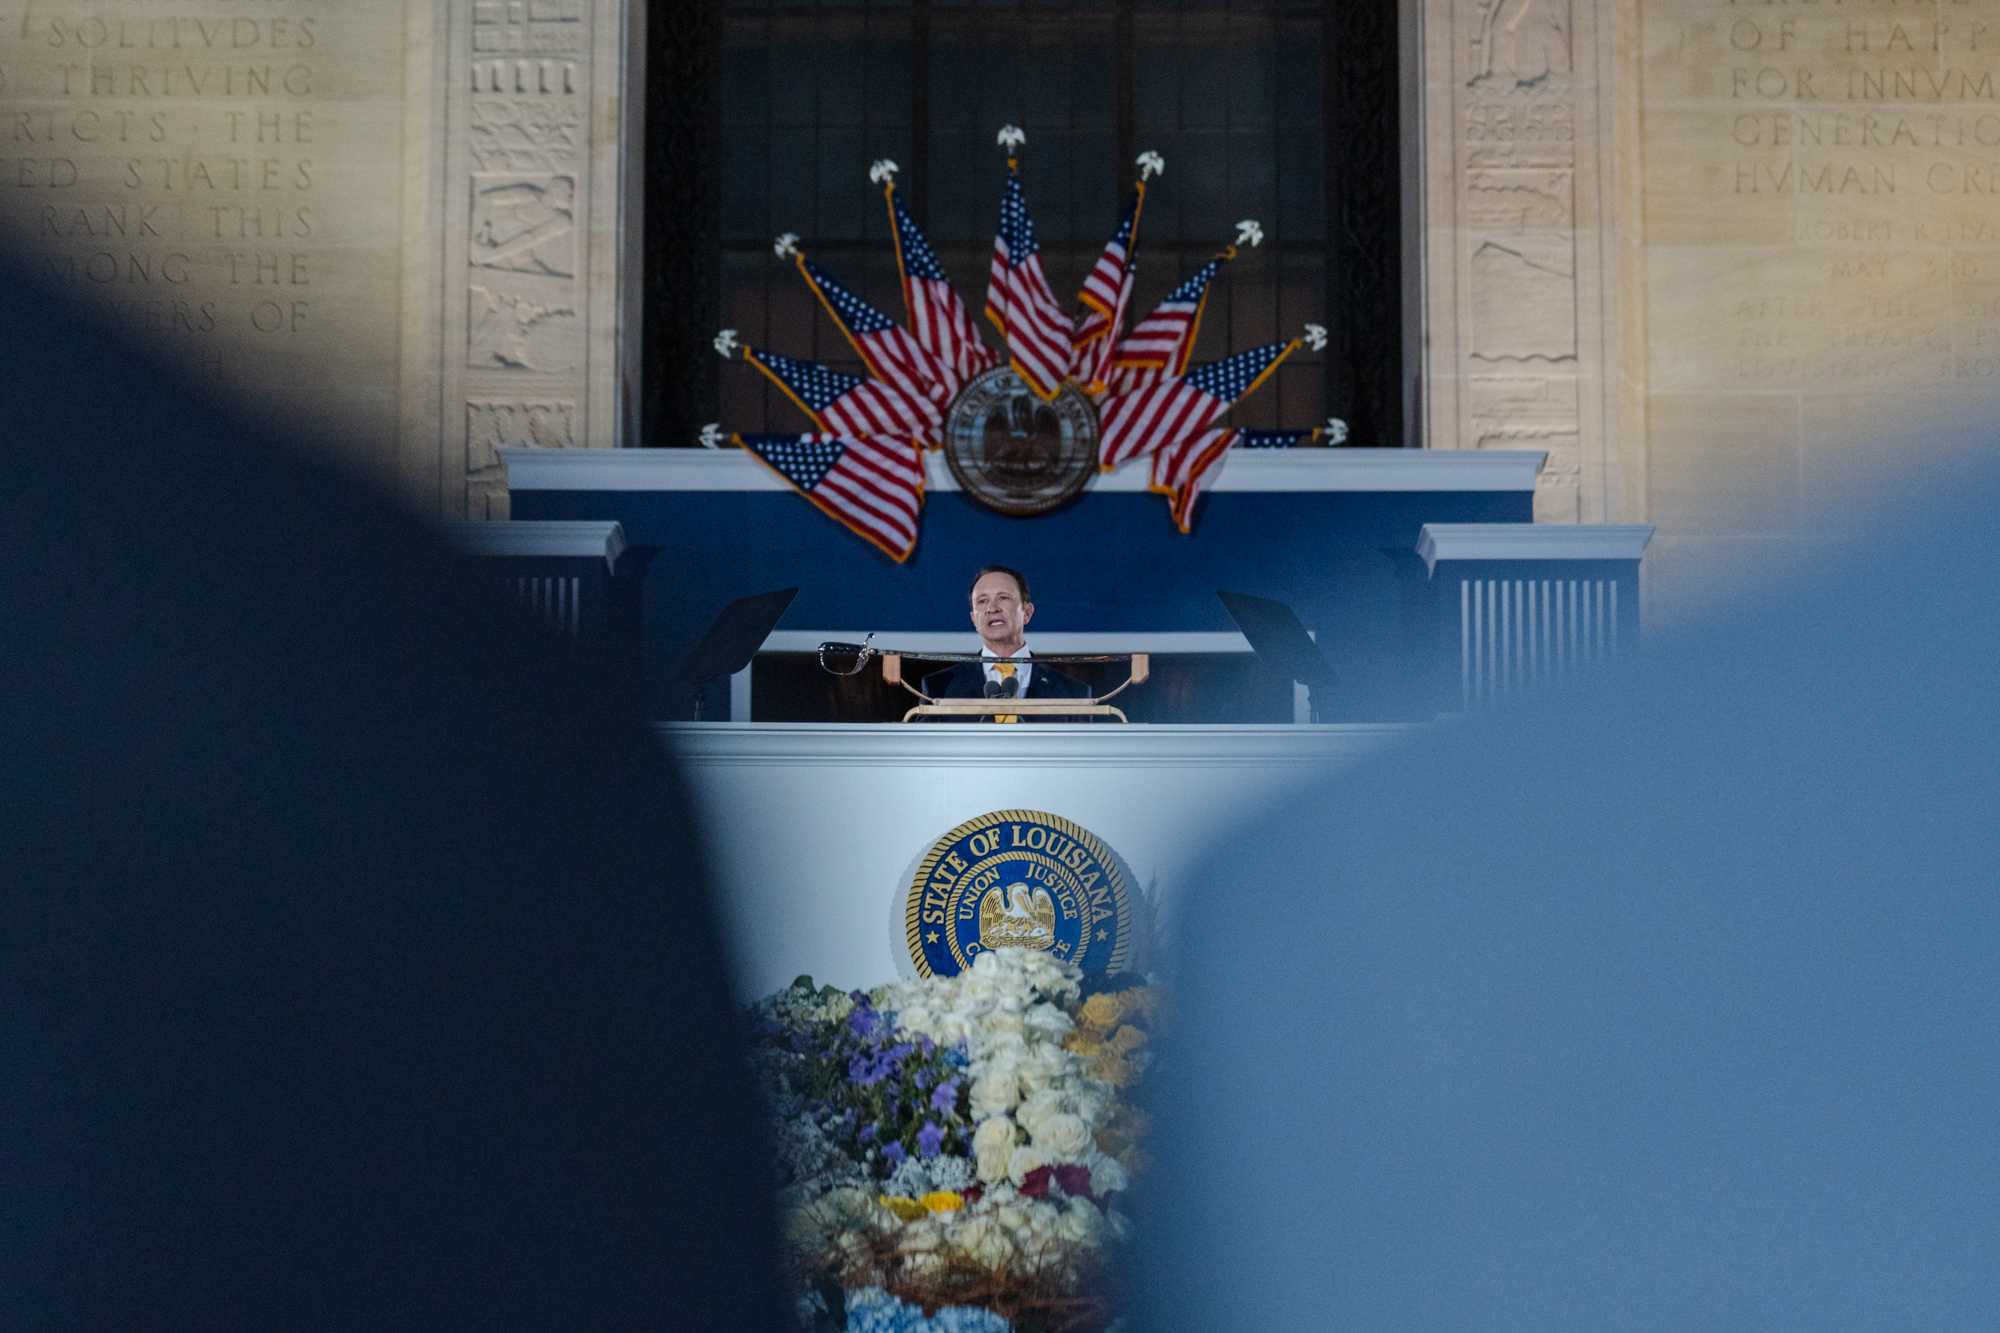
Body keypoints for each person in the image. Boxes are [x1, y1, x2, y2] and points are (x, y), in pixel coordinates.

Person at [920, 565, 1091, 719]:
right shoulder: (938, 689)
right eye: (982, 601)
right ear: (973, 619)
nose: (992, 608)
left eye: (1003, 597)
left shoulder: (1073, 693)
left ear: (1027, 612)